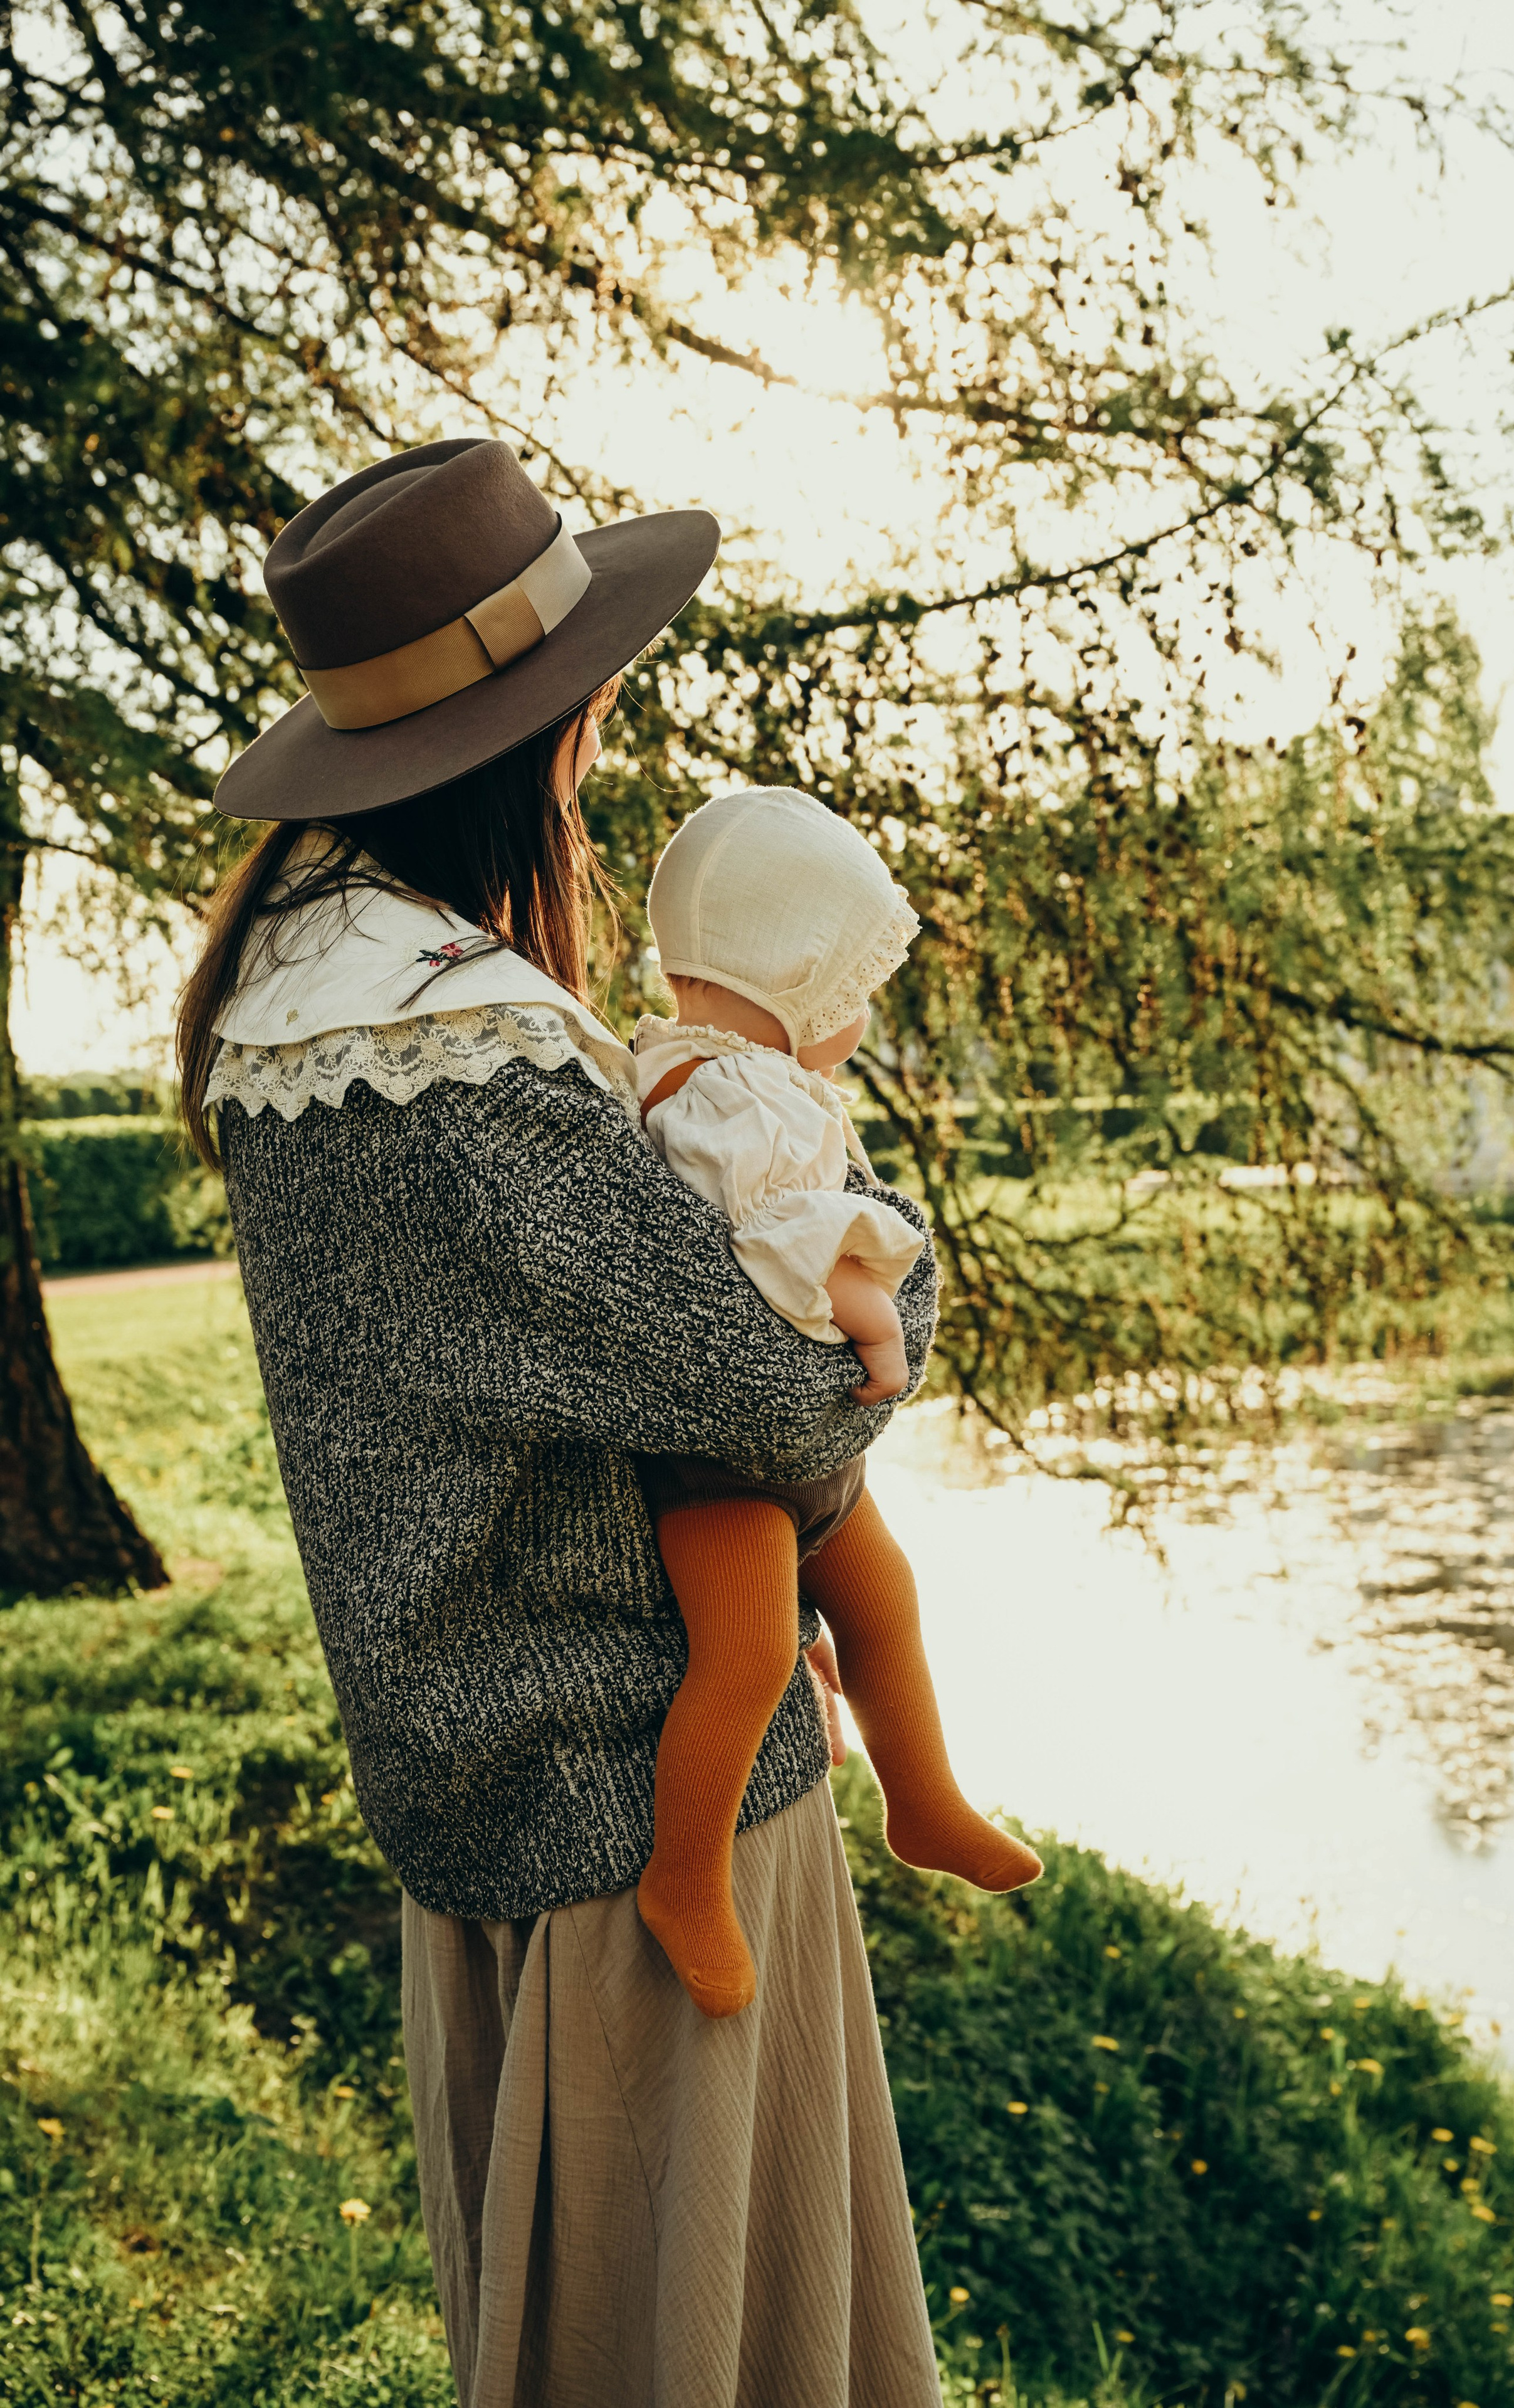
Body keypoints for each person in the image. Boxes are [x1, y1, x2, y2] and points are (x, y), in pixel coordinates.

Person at [174, 436, 945, 2408]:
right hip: (627, 1811)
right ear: (538, 727)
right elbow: (776, 1399)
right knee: (687, 2342)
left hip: (471, 1782)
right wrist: (897, 1273)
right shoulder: (467, 1049)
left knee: (574, 2331)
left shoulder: (292, 989)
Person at [631, 786, 1042, 2017]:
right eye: (853, 990)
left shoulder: (725, 1073)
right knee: (750, 1651)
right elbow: (770, 1240)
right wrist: (869, 1301)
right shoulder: (728, 1098)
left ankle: (919, 1800)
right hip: (717, 1470)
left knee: (882, 1592)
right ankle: (683, 1876)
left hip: (795, 1464)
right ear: (797, 976)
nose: (861, 1018)